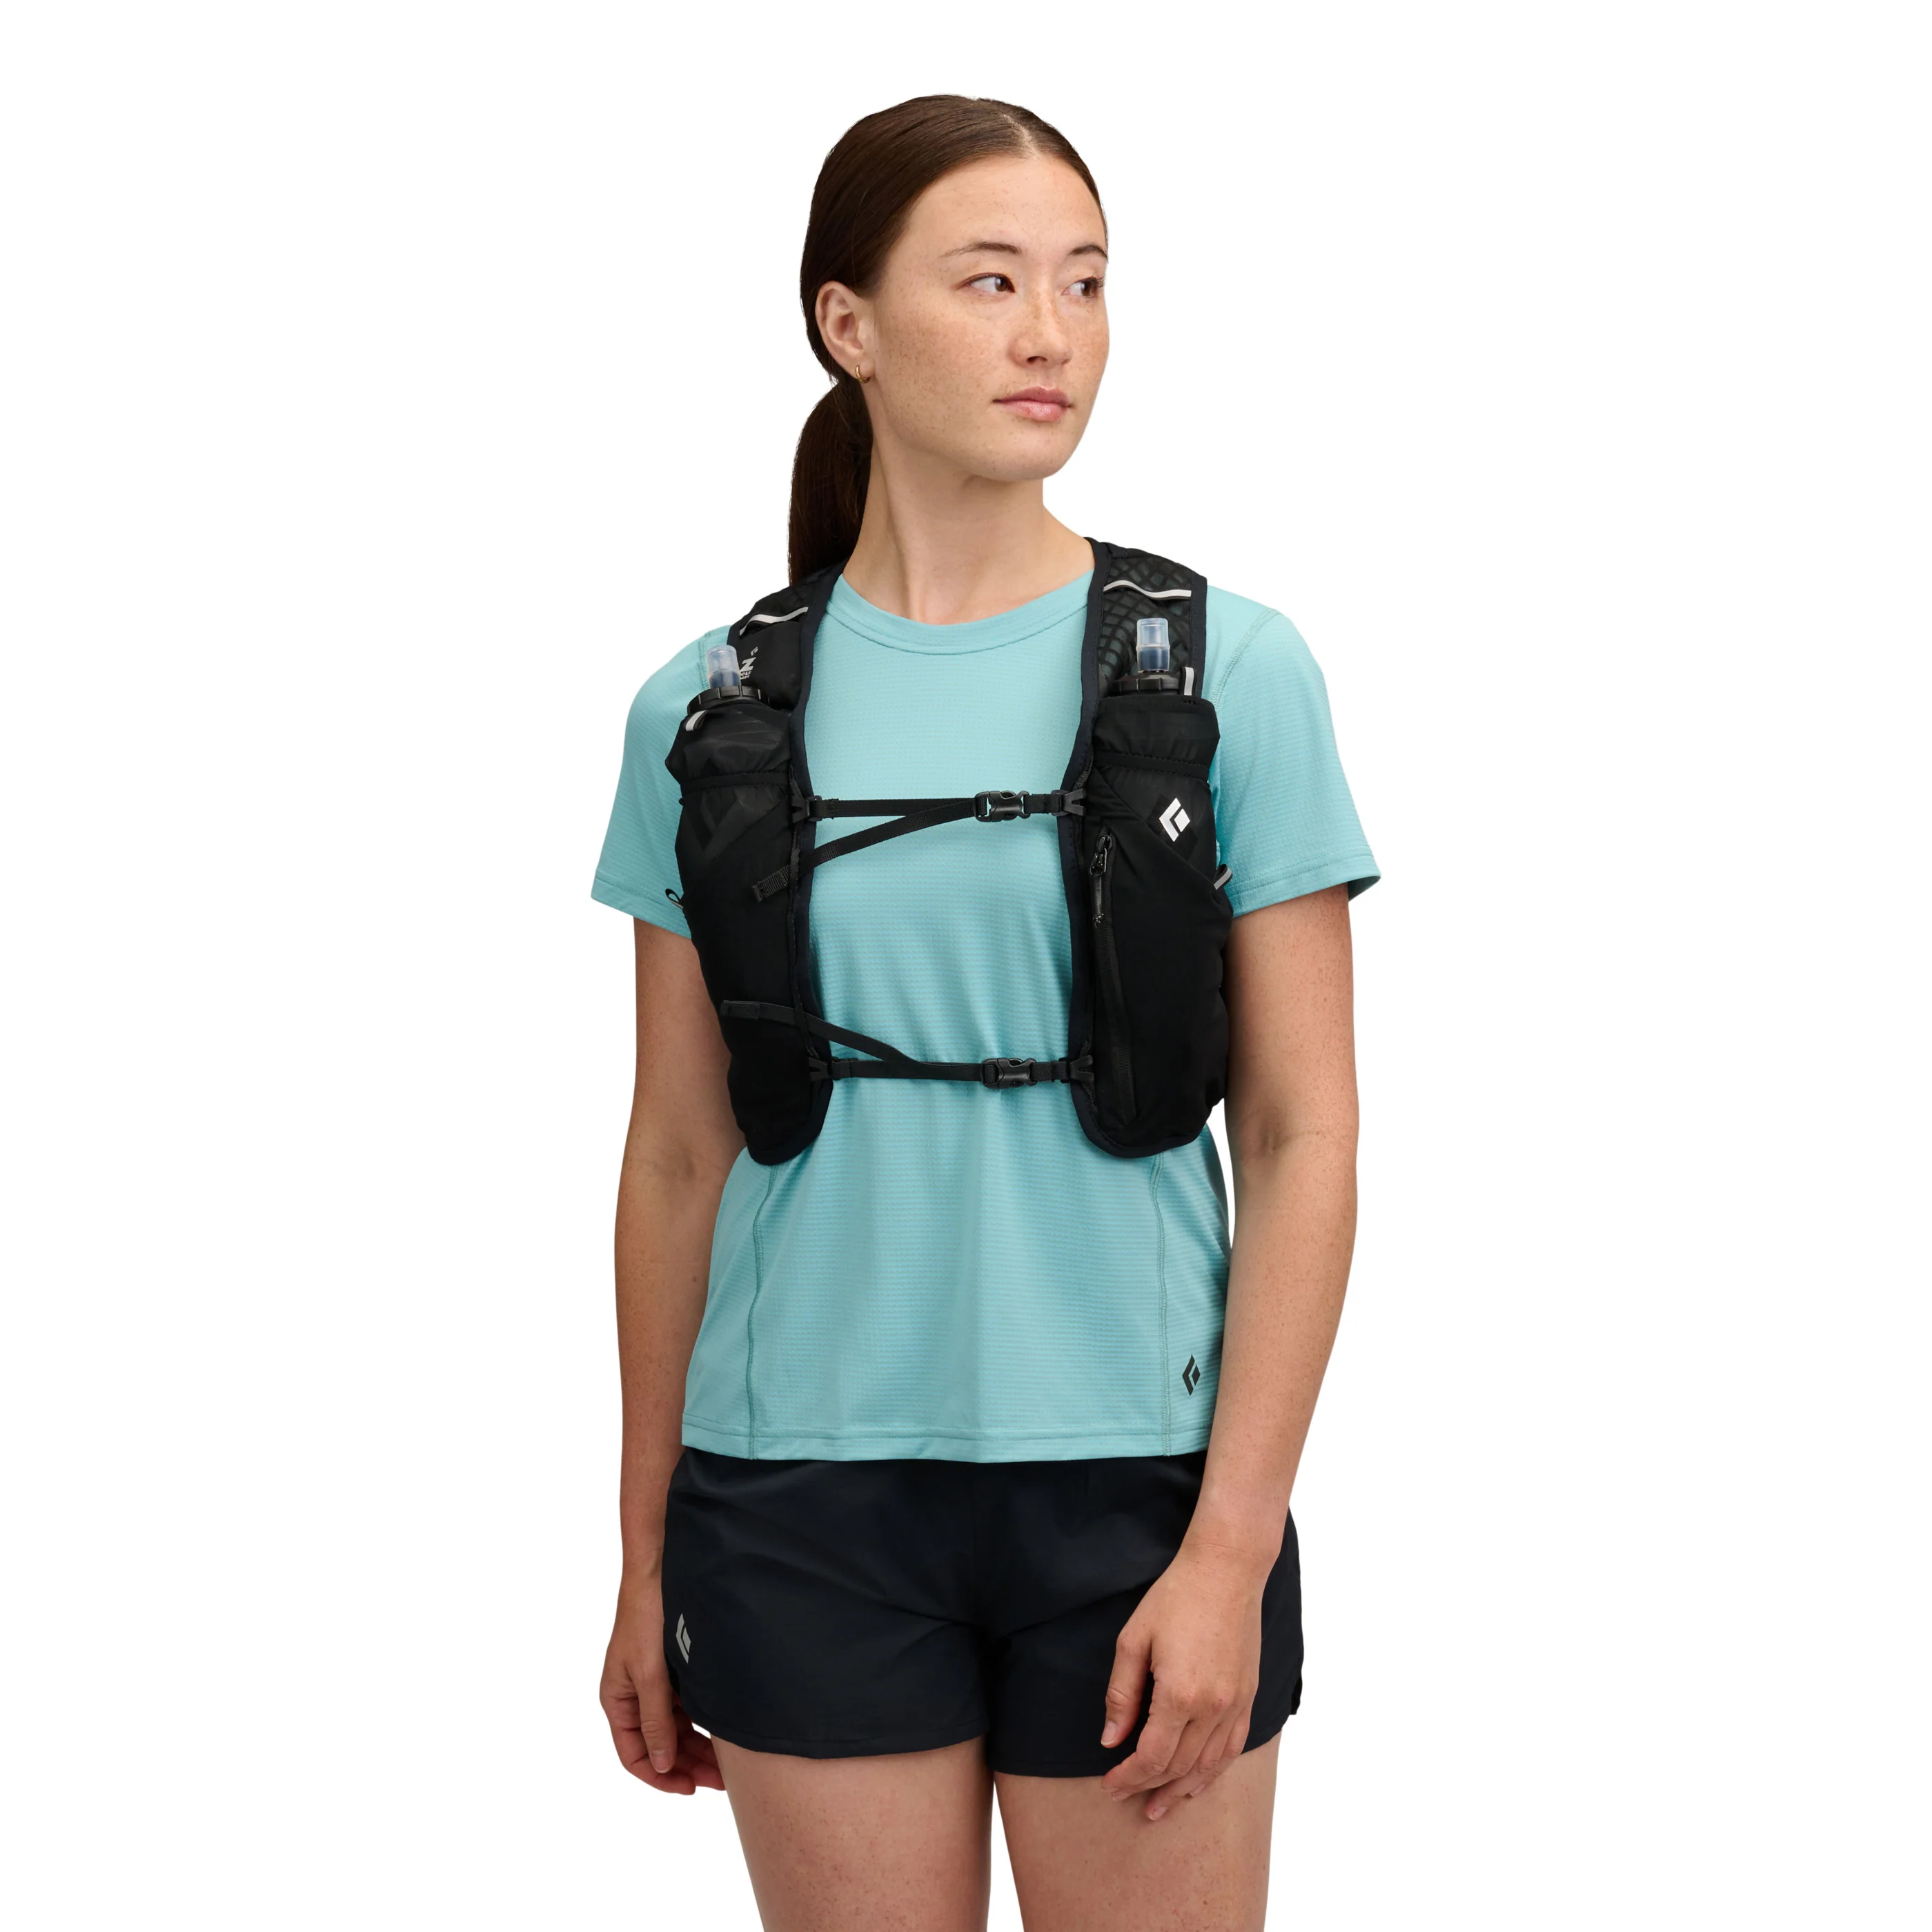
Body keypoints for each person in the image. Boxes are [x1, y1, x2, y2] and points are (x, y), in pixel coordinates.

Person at [591, 94, 1378, 1931]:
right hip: (796, 1495)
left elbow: (1303, 1133)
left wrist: (1229, 1548)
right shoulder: (703, 710)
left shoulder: (1229, 671)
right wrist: (641, 1556)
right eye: (992, 282)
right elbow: (677, 1154)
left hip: (1140, 1488)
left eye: (1086, 284)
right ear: (846, 324)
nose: (1053, 336)